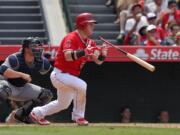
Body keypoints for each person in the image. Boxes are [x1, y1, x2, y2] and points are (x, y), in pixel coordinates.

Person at [30, 13, 108, 126]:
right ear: (82, 25)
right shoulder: (71, 37)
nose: (93, 26)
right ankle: (79, 117)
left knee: (63, 104)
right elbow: (68, 56)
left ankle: (37, 113)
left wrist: (103, 54)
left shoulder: (91, 43)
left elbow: (99, 61)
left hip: (70, 78)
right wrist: (84, 52)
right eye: (90, 24)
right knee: (82, 85)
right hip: (59, 74)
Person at [0, 37, 53, 124]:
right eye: (34, 46)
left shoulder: (41, 61)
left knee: (46, 95)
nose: (38, 49)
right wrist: (21, 74)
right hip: (8, 84)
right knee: (2, 90)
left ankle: (22, 115)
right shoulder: (15, 58)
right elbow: (3, 71)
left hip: (22, 87)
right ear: (26, 48)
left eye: (39, 46)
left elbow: (50, 71)